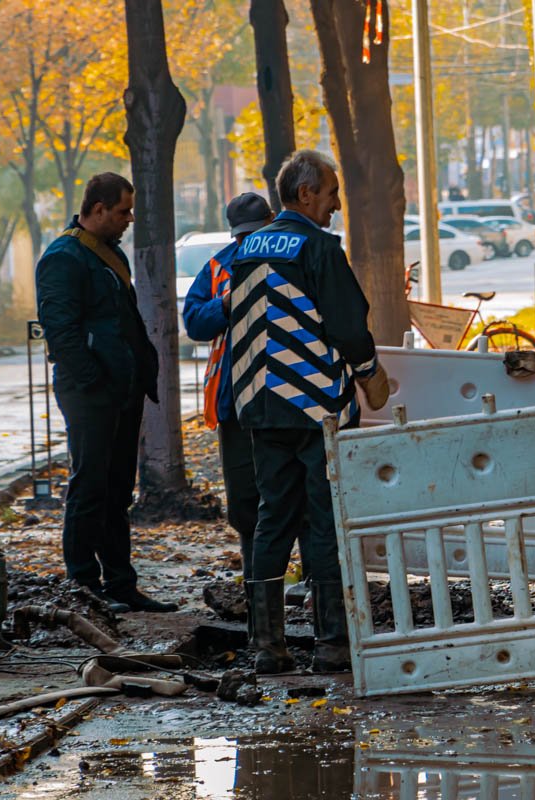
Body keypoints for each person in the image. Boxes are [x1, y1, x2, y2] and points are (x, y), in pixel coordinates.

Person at [229, 149, 390, 674]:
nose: (336, 205)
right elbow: (347, 323)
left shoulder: (246, 250)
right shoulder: (319, 248)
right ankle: (331, 644)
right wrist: (368, 371)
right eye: (330, 194)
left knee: (272, 517)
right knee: (324, 518)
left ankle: (267, 647)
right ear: (305, 194)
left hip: (260, 405)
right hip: (316, 404)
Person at [35, 172, 177, 614]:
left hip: (122, 391)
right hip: (90, 393)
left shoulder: (110, 254)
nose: (129, 219)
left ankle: (121, 584)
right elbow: (61, 333)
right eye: (122, 211)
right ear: (97, 209)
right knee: (90, 487)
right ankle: (82, 585)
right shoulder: (63, 257)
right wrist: (95, 381)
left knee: (117, 492)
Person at [181, 193, 274, 607]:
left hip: (279, 398)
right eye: (243, 236)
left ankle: (302, 584)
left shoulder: (288, 259)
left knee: (290, 499)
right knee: (247, 502)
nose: (248, 242)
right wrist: (225, 303)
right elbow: (195, 321)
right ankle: (259, 590)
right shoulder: (219, 267)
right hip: (238, 401)